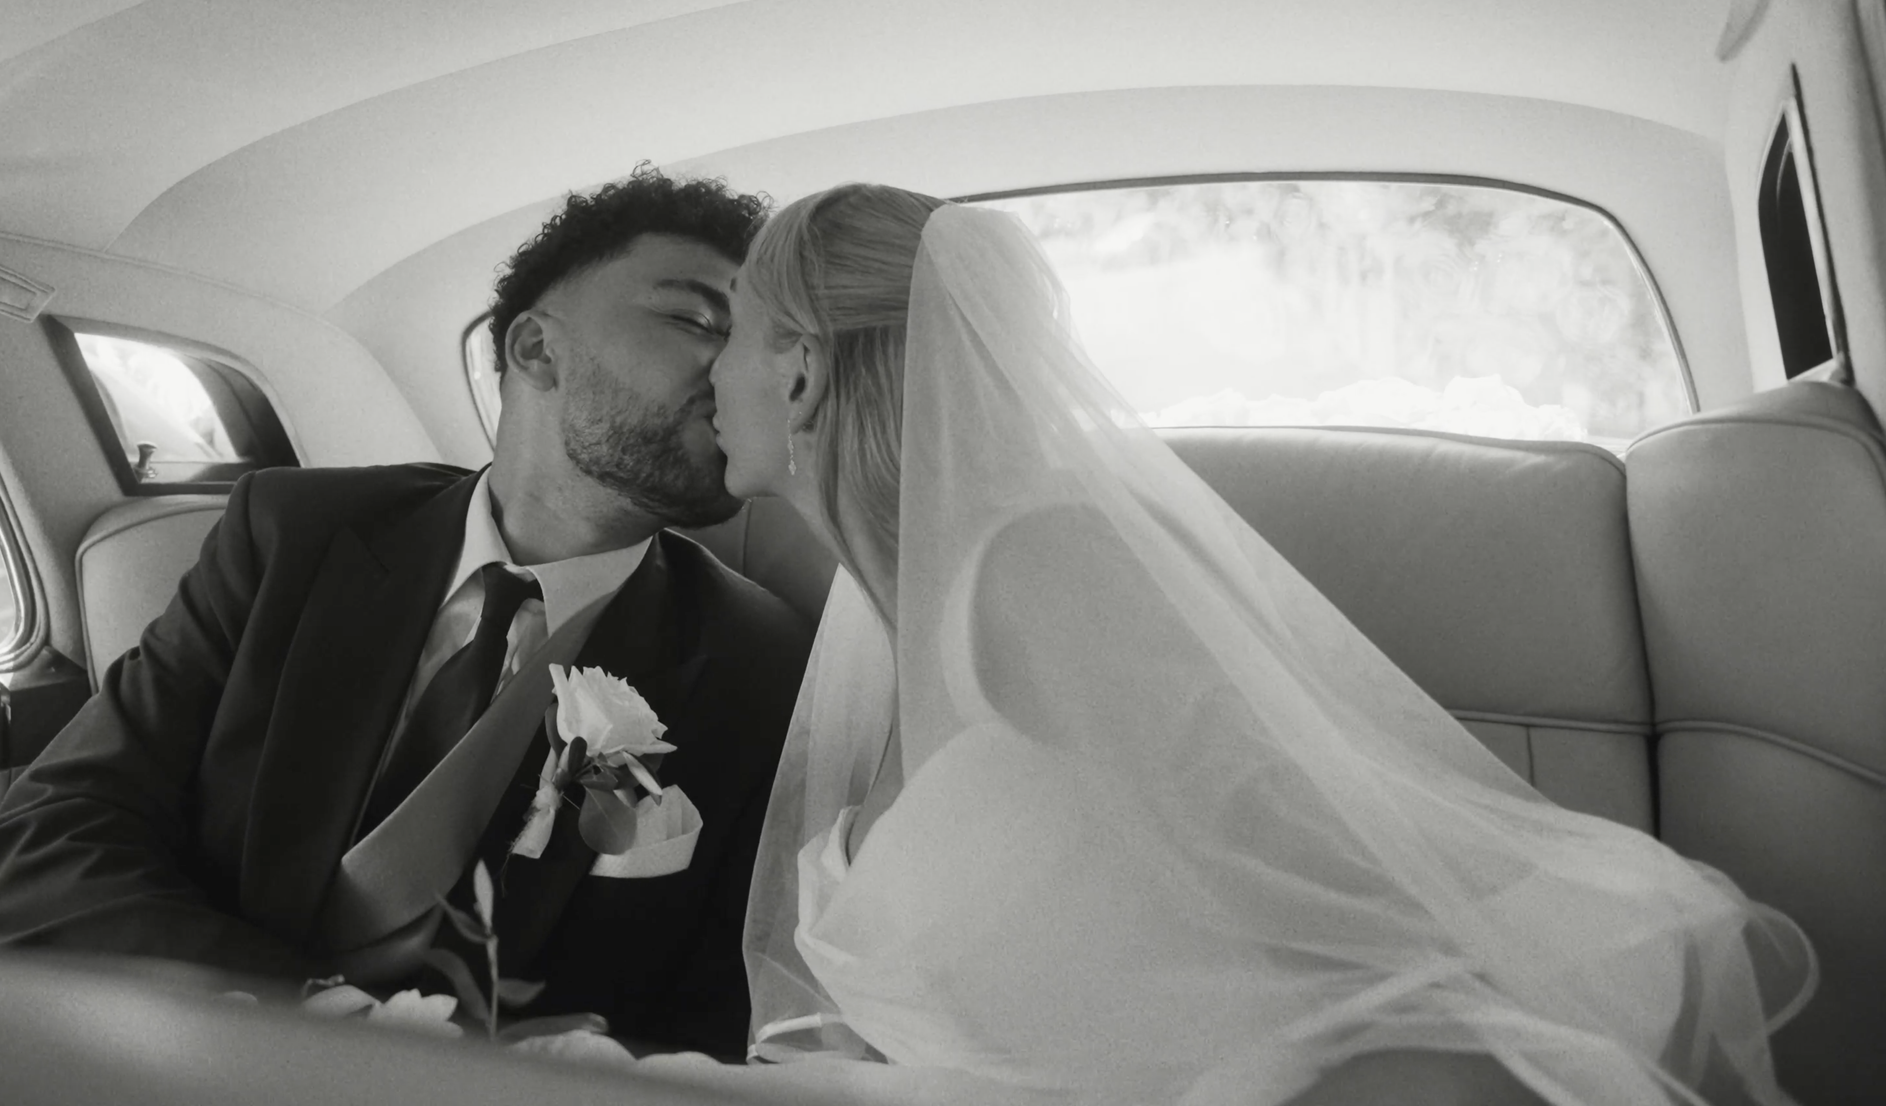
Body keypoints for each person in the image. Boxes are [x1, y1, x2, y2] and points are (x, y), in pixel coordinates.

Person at [700, 184, 1817, 1105]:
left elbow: (1336, 908)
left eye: (729, 327)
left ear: (800, 371)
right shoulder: (880, 624)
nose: (708, 372)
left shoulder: (1033, 573)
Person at [0, 168, 812, 1058]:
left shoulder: (760, 663)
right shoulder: (292, 537)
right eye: (698, 322)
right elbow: (51, 840)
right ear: (536, 350)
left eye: (762, 346)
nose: (738, 373)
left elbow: (723, 1014)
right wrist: (307, 1025)